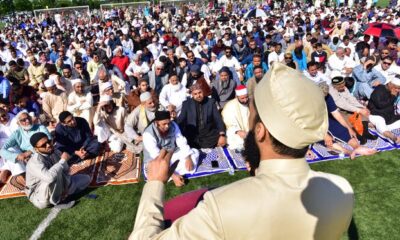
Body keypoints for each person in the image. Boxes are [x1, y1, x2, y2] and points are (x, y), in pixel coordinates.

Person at [130, 63, 354, 239]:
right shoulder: (341, 191)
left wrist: (155, 184)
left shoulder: (221, 207)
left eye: (251, 113)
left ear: (259, 131)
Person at [25, 132, 91, 209]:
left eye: (49, 141)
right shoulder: (34, 162)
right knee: (53, 175)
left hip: (58, 186)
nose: (48, 145)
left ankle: (63, 194)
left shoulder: (55, 151)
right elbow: (49, 177)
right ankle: (59, 201)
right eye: (43, 145)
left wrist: (66, 188)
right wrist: (62, 160)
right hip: (40, 195)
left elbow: (66, 170)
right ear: (36, 149)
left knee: (86, 179)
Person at [143, 110, 199, 187]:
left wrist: (188, 158)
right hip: (156, 161)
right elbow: (156, 156)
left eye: (168, 123)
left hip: (172, 154)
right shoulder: (148, 134)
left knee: (195, 153)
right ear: (157, 123)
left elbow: (181, 141)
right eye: (164, 124)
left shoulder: (173, 125)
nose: (167, 126)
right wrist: (173, 175)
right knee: (156, 171)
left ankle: (169, 174)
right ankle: (172, 175)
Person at [0, 111, 51, 178]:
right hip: (28, 160)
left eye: (28, 118)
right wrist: (17, 156)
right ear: (18, 123)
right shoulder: (17, 133)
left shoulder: (40, 127)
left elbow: (49, 140)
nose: (27, 121)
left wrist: (29, 152)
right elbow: (2, 150)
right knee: (11, 150)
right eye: (23, 120)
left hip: (44, 155)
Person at [178, 83, 226, 149]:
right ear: (192, 95)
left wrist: (222, 135)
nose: (198, 95)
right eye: (195, 94)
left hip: (209, 134)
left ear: (203, 92)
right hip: (193, 135)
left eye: (200, 92)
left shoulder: (210, 102)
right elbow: (181, 119)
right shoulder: (186, 104)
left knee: (222, 142)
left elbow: (218, 119)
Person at [368, 75, 400, 143]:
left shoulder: (394, 92)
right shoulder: (379, 90)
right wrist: (393, 96)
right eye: (397, 88)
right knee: (380, 122)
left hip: (388, 116)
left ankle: (377, 128)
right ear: (391, 85)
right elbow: (380, 105)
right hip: (376, 114)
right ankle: (393, 137)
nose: (398, 90)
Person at [221, 85, 250, 150]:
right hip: (237, 132)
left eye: (246, 97)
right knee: (237, 140)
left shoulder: (251, 102)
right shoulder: (230, 106)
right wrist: (238, 131)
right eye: (242, 98)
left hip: (250, 132)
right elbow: (229, 123)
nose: (245, 100)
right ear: (237, 97)